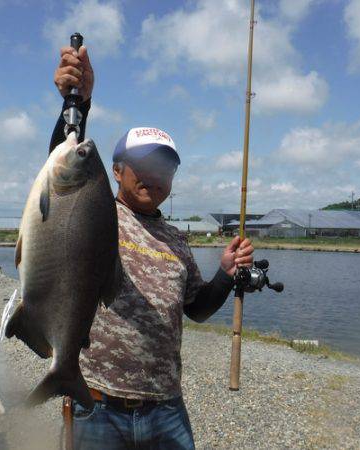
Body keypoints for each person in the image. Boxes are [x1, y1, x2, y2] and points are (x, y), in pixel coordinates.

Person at [50, 45, 254, 450]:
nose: (154, 176)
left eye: (164, 169)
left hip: (166, 407)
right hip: (97, 403)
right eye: (142, 164)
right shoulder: (96, 210)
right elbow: (65, 166)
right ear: (117, 170)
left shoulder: (177, 239)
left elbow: (196, 308)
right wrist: (78, 104)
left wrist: (226, 274)